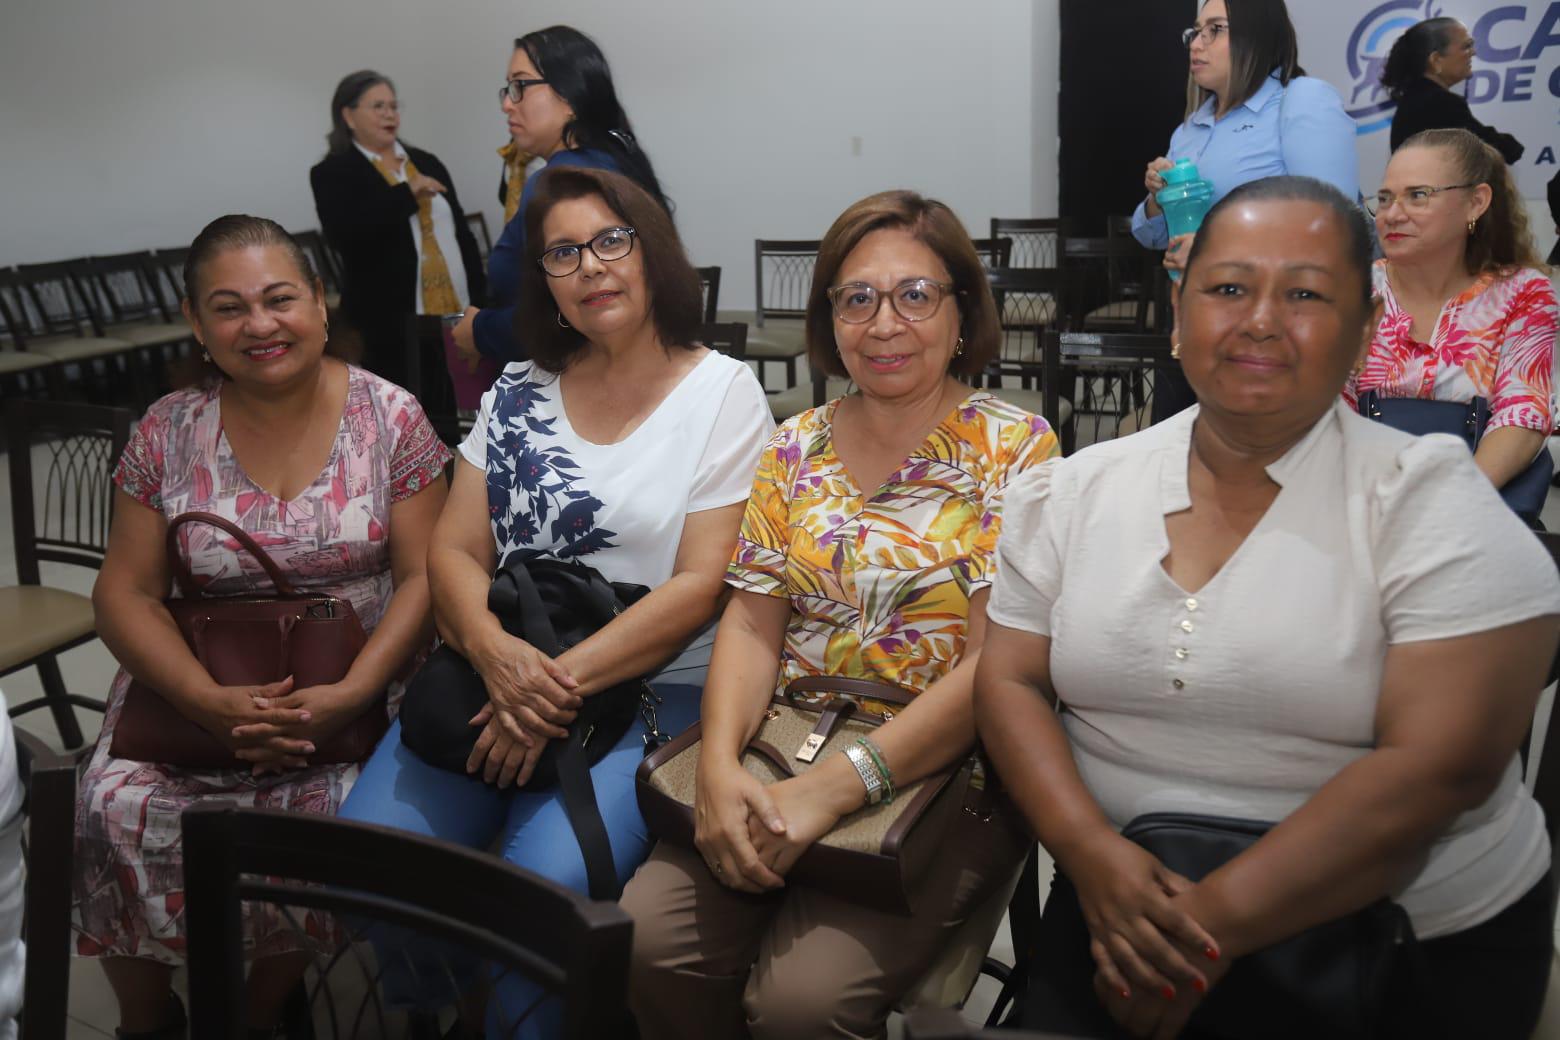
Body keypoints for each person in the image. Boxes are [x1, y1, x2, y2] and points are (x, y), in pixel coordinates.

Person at [977, 176, 1560, 1040]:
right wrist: (1093, 856)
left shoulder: (1433, 503)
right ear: (1179, 315)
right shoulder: (1069, 493)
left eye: (1306, 295)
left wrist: (1202, 935)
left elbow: (1438, 771)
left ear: (1365, 329)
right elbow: (1010, 682)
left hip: (1397, 942)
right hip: (1121, 910)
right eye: (1228, 288)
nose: (1260, 321)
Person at [338, 166, 771, 1038]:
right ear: (543, 281)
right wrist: (498, 660)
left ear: (653, 254)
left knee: (546, 893)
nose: (591, 267)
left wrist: (545, 687)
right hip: (499, 666)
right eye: (562, 253)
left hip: (651, 685)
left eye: (611, 241)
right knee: (377, 859)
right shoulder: (517, 388)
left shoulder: (723, 393)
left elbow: (699, 586)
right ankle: (453, 1005)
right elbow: (454, 549)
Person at [622, 190, 1059, 1040]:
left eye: (915, 295)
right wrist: (718, 765)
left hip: (943, 769)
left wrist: (835, 789)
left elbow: (993, 669)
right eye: (857, 298)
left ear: (962, 312)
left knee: (800, 1006)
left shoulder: (1016, 449)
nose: (884, 323)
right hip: (786, 742)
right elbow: (751, 624)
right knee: (649, 945)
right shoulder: (794, 446)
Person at [72, 215, 451, 1039]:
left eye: (280, 299)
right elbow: (124, 592)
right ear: (196, 323)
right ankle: (147, 1019)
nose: (260, 325)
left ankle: (256, 1006)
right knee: (110, 803)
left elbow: (427, 577)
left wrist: (354, 693)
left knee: (335, 810)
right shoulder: (168, 429)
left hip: (360, 683)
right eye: (230, 308)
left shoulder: (392, 417)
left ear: (319, 300)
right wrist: (203, 701)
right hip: (202, 684)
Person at [1346, 129, 1555, 496]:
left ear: (1476, 202)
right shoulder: (1352, 290)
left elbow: (1523, 410)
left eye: (1418, 195)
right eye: (1385, 198)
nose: (1392, 214)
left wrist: (1453, 501)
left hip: (1474, 503)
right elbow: (1325, 408)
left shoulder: (1524, 293)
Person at [450, 26, 669, 366]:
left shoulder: (562, 184)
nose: (507, 104)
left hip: (578, 373)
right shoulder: (610, 158)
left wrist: (480, 331)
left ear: (569, 95)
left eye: (520, 86)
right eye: (507, 90)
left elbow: (568, 313)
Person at [1133, 0, 1357, 273]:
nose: (1196, 44)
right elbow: (1151, 236)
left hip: (1278, 295)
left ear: (1257, 36)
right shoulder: (1190, 129)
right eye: (1196, 32)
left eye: (1215, 29)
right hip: (1201, 294)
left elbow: (1334, 226)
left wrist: (1213, 251)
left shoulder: (1302, 100)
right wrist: (1158, 198)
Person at [310, 70, 487, 390]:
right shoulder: (332, 172)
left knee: (465, 397)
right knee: (410, 402)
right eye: (378, 106)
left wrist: (481, 302)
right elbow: (345, 235)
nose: (390, 114)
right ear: (348, 116)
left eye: (393, 106)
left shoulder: (426, 162)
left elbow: (462, 234)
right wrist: (408, 193)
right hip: (389, 324)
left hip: (458, 309)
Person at [1383, 19, 1524, 165]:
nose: (1473, 52)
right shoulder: (1440, 103)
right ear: (1436, 60)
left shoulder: (1414, 99)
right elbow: (1501, 150)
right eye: (1466, 46)